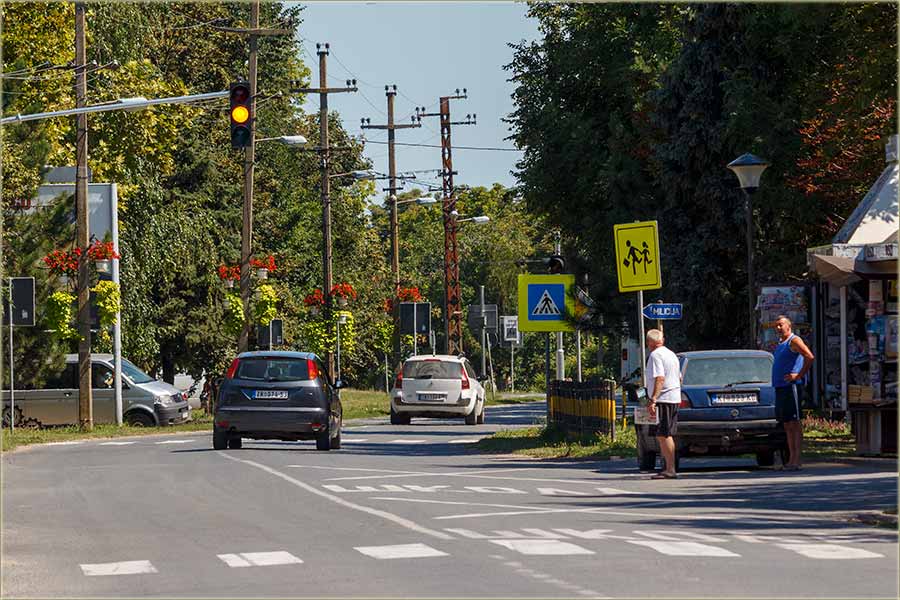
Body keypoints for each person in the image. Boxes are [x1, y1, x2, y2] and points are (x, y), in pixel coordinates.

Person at [772, 315, 815, 471]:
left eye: (781, 325)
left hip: (791, 387)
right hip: (780, 387)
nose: (778, 328)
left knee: (795, 424)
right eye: (776, 325)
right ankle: (791, 459)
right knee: (787, 424)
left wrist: (799, 375)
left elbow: (809, 357)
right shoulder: (780, 343)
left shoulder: (794, 340)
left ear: (788, 326)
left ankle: (797, 459)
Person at [645, 329, 681, 479]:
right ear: (662, 340)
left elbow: (660, 378)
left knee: (664, 434)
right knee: (665, 434)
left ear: (649, 343)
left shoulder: (655, 355)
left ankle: (670, 469)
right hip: (673, 397)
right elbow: (679, 378)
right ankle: (669, 467)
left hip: (663, 399)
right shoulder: (671, 354)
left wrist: (653, 398)